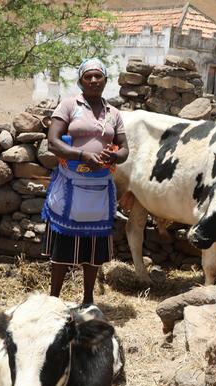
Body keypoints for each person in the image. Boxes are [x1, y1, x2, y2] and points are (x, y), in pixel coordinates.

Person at [41, 58, 129, 306]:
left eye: (98, 76)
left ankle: (88, 299)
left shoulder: (114, 114)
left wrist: (113, 155)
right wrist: (82, 155)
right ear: (80, 81)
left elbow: (124, 149)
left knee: (94, 246)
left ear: (105, 81)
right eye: (88, 76)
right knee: (64, 245)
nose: (93, 80)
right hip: (71, 183)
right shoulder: (69, 105)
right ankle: (54, 301)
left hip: (99, 187)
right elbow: (53, 142)